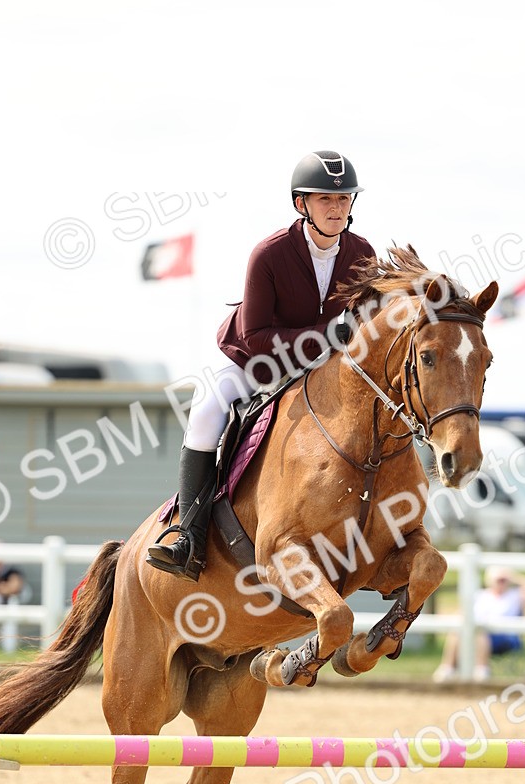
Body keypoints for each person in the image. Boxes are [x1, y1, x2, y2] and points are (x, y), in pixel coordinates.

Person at [147, 149, 376, 581]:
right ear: (301, 204)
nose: (336, 207)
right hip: (251, 361)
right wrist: (327, 338)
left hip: (318, 367)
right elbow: (254, 336)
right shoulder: (269, 254)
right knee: (206, 414)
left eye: (344, 199)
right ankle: (188, 538)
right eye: (324, 199)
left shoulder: (362, 253)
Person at [434, 566, 525, 682]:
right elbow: (461, 613)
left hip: (504, 637)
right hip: (476, 634)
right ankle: (448, 669)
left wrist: (513, 577)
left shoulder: (515, 596)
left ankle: (481, 671)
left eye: (504, 580)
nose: (501, 583)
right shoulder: (480, 595)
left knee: (480, 631)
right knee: (457, 632)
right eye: (498, 580)